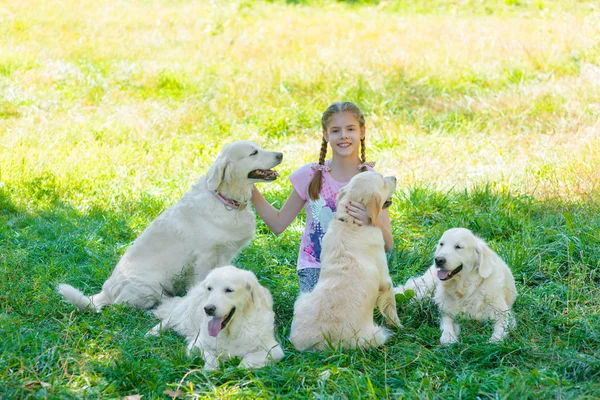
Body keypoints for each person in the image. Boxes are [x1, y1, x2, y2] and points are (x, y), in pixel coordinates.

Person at [251, 101, 394, 292]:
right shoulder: (310, 175)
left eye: (350, 129)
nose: (343, 135)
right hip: (316, 267)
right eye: (335, 130)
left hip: (357, 267)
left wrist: (371, 221)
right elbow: (278, 224)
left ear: (362, 132)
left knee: (348, 317)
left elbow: (387, 244)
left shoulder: (372, 181)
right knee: (315, 314)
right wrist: (248, 186)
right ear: (326, 135)